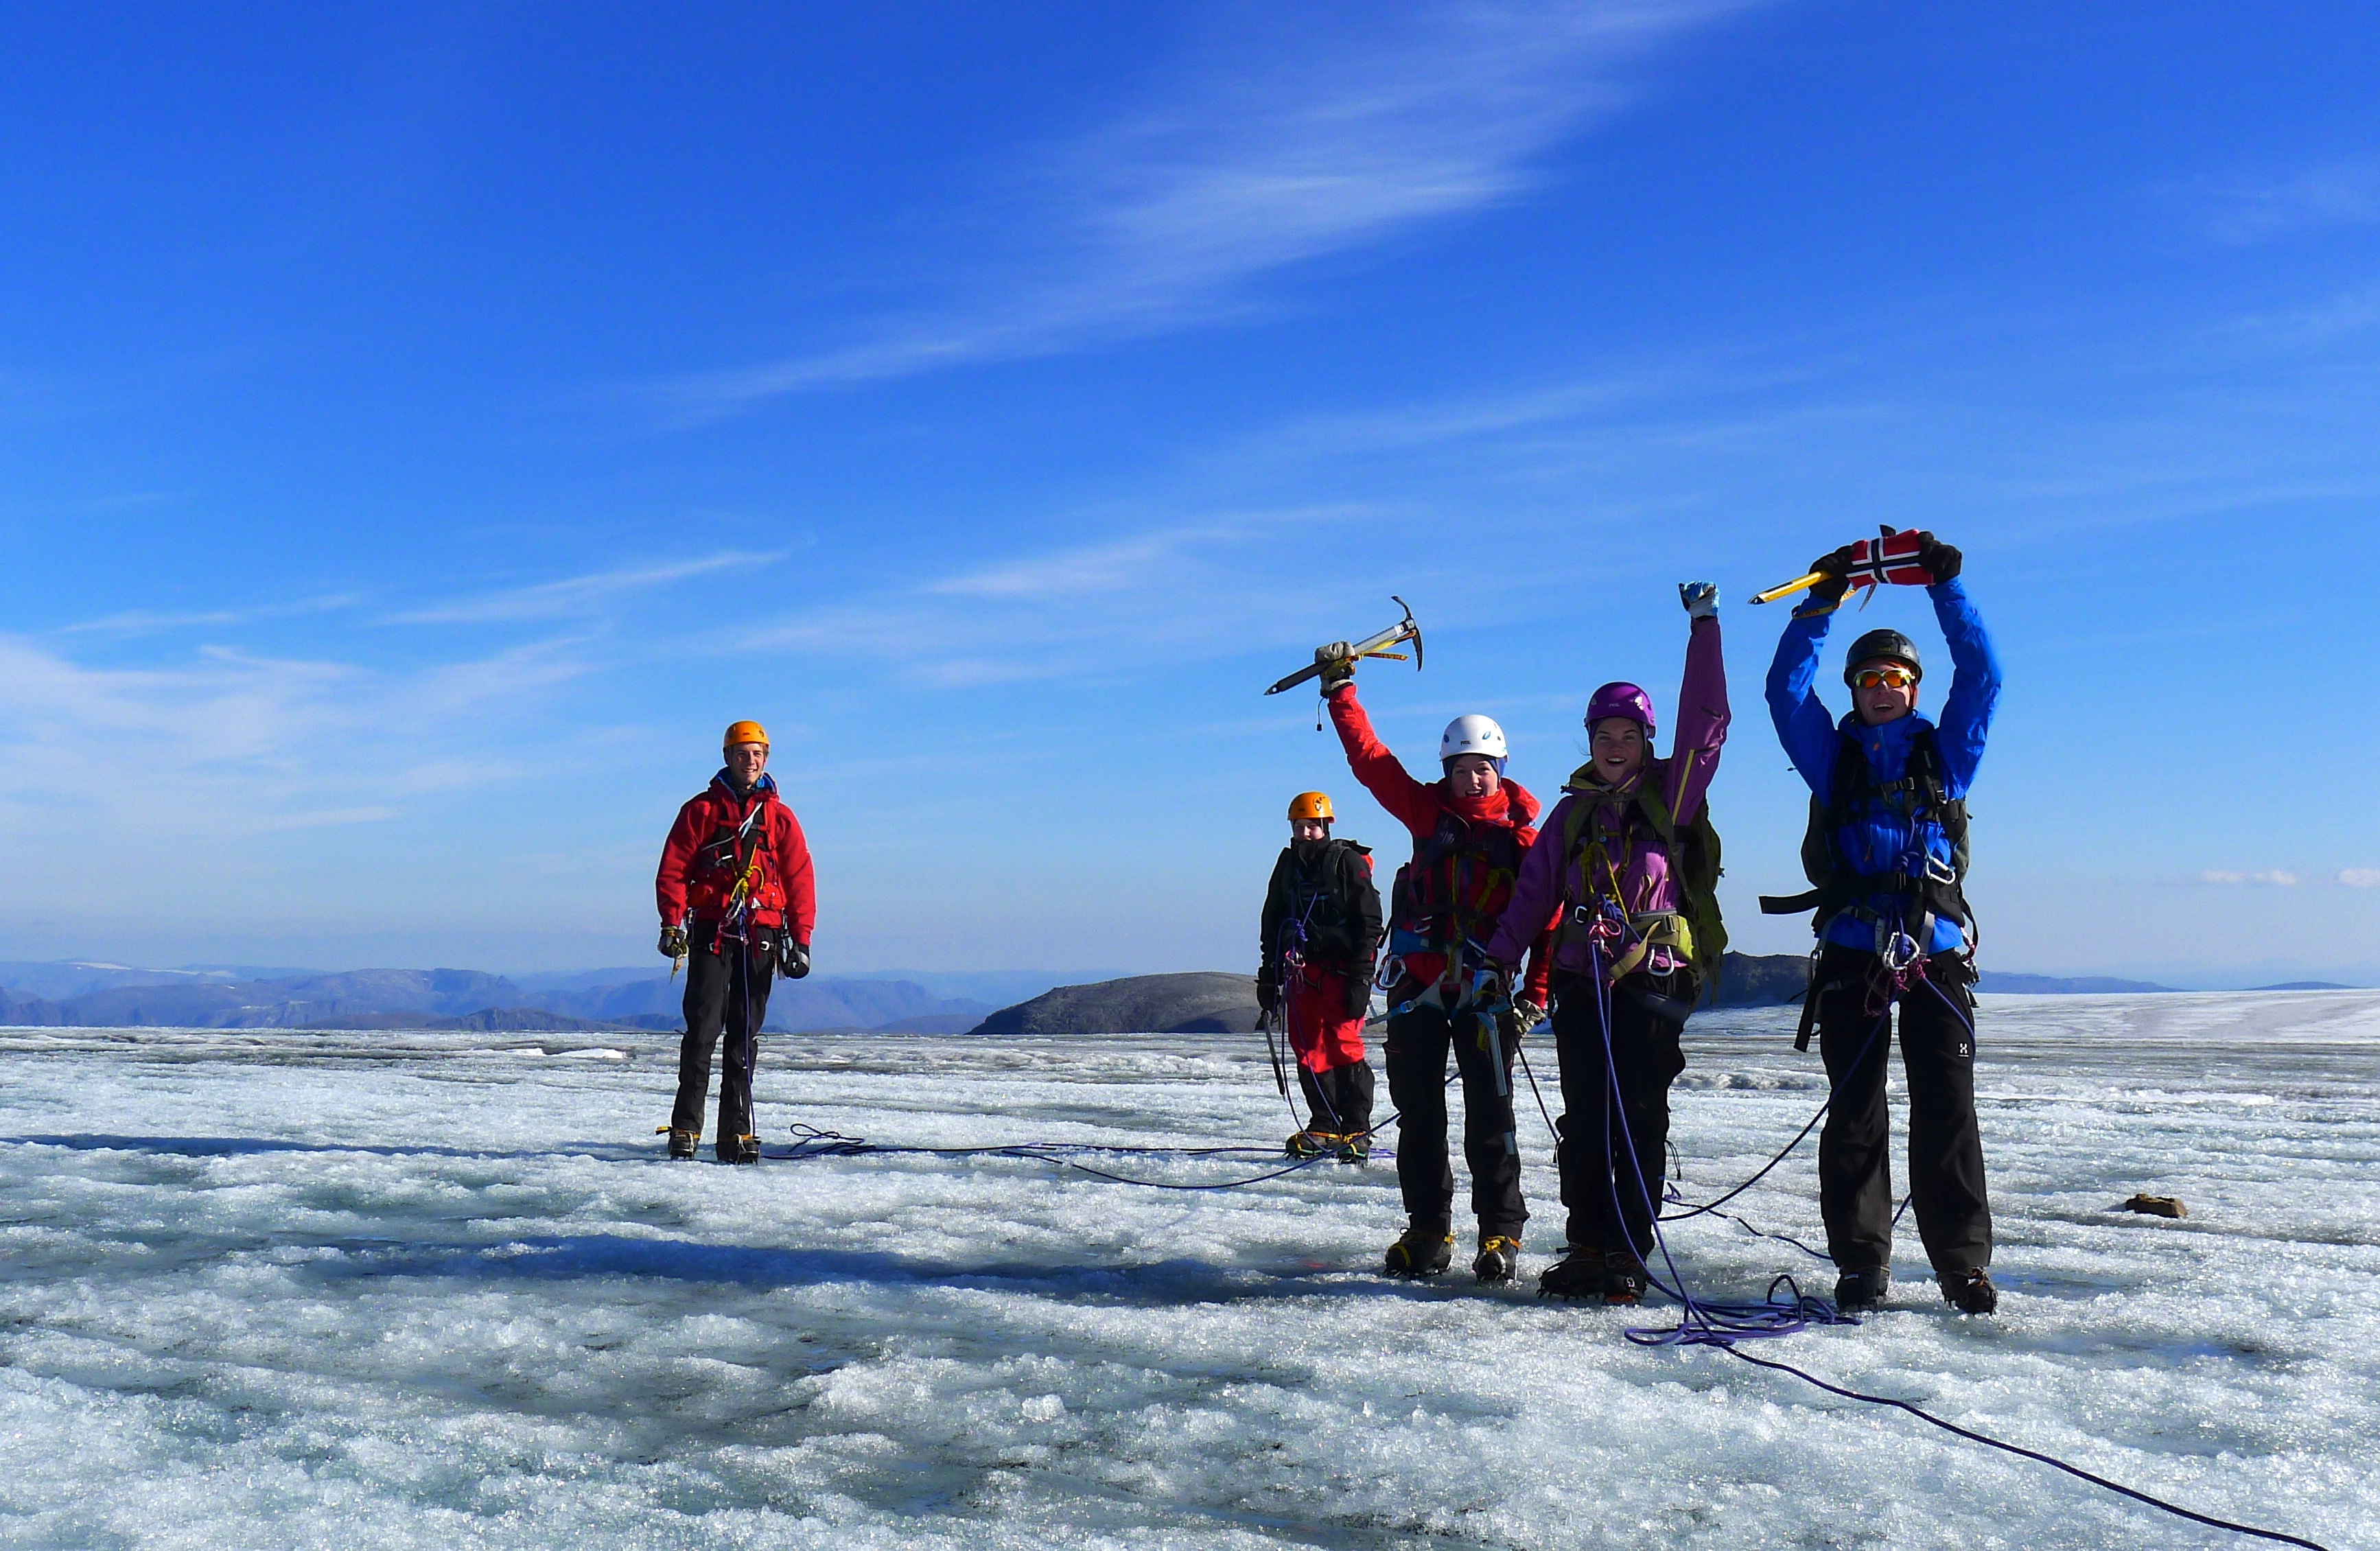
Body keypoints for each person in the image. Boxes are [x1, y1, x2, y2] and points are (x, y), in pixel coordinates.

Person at [1762, 534, 2003, 1314]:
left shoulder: (1946, 756)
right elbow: (1784, 692)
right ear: (1856, 690)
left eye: (1896, 678)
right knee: (1856, 1112)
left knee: (1946, 1110)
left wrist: (1945, 588)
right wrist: (1822, 602)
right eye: (1869, 680)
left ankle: (1961, 1264)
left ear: (1913, 687)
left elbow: (1984, 675)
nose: (1883, 689)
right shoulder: (1835, 761)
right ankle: (1862, 1263)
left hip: (1933, 953)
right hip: (1853, 954)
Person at [1484, 582, 1727, 1305]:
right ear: (1588, 741)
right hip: (1582, 985)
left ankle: (1629, 1248)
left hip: (1651, 984)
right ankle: (1590, 1241)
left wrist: (1704, 627)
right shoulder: (1572, 815)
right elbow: (1533, 895)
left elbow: (1709, 720)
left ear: (1647, 741)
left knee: (1639, 1117)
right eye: (1604, 735)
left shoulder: (1673, 794)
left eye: (1629, 735)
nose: (1616, 746)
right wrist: (1495, 956)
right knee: (1586, 1118)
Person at [1316, 644, 1555, 1283]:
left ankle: (1500, 1235)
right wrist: (1342, 691)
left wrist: (1536, 991)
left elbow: (1548, 917)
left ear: (1500, 769)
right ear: (1446, 772)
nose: (1473, 779)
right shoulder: (1428, 813)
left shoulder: (1524, 839)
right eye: (1461, 768)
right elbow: (1372, 763)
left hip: (1487, 996)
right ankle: (1428, 1232)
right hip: (1418, 993)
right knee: (1420, 1121)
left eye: (1483, 768)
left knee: (1491, 1121)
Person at [655, 720, 816, 1164]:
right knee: (703, 1030)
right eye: (744, 753)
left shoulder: (779, 818)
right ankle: (686, 1129)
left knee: (744, 1034)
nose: (751, 761)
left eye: (758, 754)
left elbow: (800, 878)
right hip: (711, 928)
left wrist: (800, 939)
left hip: (762, 932)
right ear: (727, 757)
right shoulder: (701, 812)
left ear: (766, 759)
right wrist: (672, 923)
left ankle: (736, 1134)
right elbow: (673, 869)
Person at [1258, 791, 1384, 1159]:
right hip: (1301, 974)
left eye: (1313, 826)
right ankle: (1324, 1125)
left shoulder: (1348, 863)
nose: (1307, 833)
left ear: (1326, 826)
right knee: (1309, 1049)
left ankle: (1356, 1127)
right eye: (1301, 827)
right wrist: (1269, 974)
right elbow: (1272, 919)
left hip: (1344, 973)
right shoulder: (1287, 868)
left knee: (1345, 1045)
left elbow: (1369, 923)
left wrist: (1362, 978)